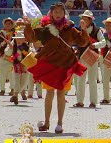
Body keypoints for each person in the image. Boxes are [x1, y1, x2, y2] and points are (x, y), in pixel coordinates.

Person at [24, 2, 89, 133]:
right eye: (55, 11)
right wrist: (28, 25)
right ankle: (47, 122)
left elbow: (82, 42)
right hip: (49, 63)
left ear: (64, 13)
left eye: (60, 11)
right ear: (51, 13)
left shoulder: (70, 28)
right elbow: (32, 38)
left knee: (60, 93)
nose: (58, 14)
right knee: (49, 93)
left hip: (65, 64)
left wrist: (84, 29)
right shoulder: (45, 27)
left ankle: (59, 123)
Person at [74, 10, 106, 108]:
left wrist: (95, 45)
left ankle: (93, 101)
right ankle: (80, 101)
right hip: (82, 57)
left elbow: (103, 42)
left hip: (92, 56)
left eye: (85, 18)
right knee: (80, 80)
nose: (82, 20)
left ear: (90, 20)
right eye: (82, 18)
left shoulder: (97, 30)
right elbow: (75, 42)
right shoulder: (78, 29)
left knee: (92, 80)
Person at [5, 30, 32, 105]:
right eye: (17, 38)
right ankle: (15, 95)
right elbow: (7, 53)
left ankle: (19, 93)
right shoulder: (13, 45)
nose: (19, 40)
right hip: (16, 65)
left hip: (25, 66)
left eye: (21, 38)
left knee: (24, 82)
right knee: (16, 80)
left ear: (24, 39)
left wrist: (24, 51)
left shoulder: (27, 46)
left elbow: (32, 53)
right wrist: (10, 48)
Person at [0, 17, 15, 96]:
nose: (8, 25)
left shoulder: (15, 33)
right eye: (6, 23)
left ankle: (12, 89)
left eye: (9, 24)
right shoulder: (0, 33)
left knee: (12, 74)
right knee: (2, 74)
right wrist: (5, 41)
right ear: (4, 24)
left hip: (12, 56)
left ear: (12, 25)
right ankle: (2, 89)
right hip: (3, 55)